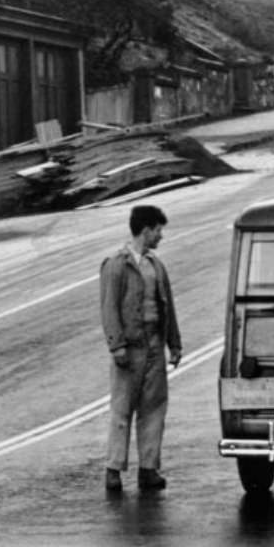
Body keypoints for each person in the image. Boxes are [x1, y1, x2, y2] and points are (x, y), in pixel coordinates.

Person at [99, 205, 182, 493]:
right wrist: (116, 345)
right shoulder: (116, 265)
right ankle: (113, 469)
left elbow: (167, 307)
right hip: (129, 348)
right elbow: (109, 308)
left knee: (154, 409)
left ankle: (148, 469)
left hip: (154, 345)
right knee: (122, 409)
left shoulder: (156, 266)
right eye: (158, 230)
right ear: (146, 230)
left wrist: (174, 344)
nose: (161, 236)